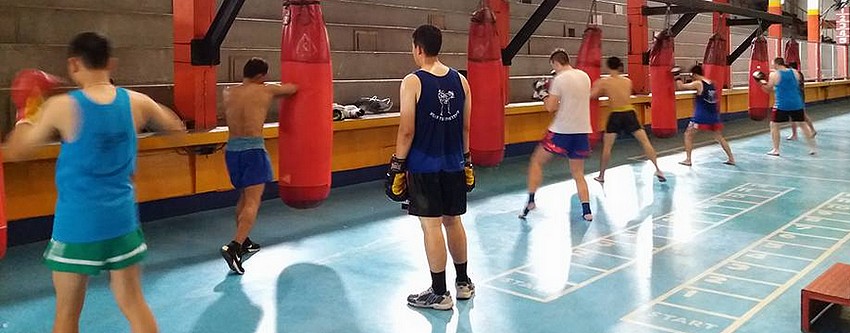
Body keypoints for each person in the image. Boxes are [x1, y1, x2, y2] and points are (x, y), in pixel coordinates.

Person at [5, 32, 185, 333]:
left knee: (67, 314)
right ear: (110, 63)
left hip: (78, 225)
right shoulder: (137, 102)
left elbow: (17, 151)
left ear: (74, 64)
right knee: (133, 301)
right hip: (122, 221)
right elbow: (176, 127)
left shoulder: (63, 106)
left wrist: (27, 111)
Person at [385, 25, 475, 310]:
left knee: (431, 225)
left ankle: (439, 292)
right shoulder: (461, 81)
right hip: (454, 163)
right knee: (454, 220)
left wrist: (397, 165)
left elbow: (407, 130)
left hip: (424, 166)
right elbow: (466, 126)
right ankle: (463, 283)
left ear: (418, 48)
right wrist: (467, 159)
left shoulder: (413, 81)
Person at [219, 58, 297, 275]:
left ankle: (244, 241)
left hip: (232, 150)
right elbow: (294, 89)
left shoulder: (228, 92)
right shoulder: (266, 91)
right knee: (253, 201)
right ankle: (234, 246)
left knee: (244, 197)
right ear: (262, 76)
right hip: (253, 150)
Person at [521, 49, 594, 222]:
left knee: (536, 161)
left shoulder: (560, 79)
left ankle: (531, 200)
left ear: (555, 63)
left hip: (562, 131)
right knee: (578, 173)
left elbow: (550, 107)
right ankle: (587, 211)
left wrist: (542, 93)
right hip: (582, 130)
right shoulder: (585, 76)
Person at [590, 56, 666, 183]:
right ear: (619, 66)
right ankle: (658, 169)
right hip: (629, 112)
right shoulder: (627, 81)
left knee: (607, 147)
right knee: (645, 142)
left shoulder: (604, 82)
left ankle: (602, 175)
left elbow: (592, 95)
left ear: (608, 67)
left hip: (615, 114)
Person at [674, 64, 735, 166]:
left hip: (701, 116)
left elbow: (680, 87)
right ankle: (731, 158)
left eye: (692, 76)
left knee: (688, 135)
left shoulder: (698, 83)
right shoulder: (711, 83)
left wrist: (676, 75)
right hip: (713, 115)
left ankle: (688, 159)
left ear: (694, 74)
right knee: (719, 137)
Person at [756, 57, 816, 156]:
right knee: (803, 125)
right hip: (796, 102)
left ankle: (776, 150)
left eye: (773, 65)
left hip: (782, 104)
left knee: (774, 125)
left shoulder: (774, 75)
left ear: (776, 64)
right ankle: (813, 148)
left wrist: (760, 82)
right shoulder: (795, 72)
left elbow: (768, 89)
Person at [786, 62, 816, 141]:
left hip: (797, 97)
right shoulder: (798, 74)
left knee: (800, 116)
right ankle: (796, 134)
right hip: (797, 97)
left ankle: (809, 130)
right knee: (797, 116)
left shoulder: (795, 75)